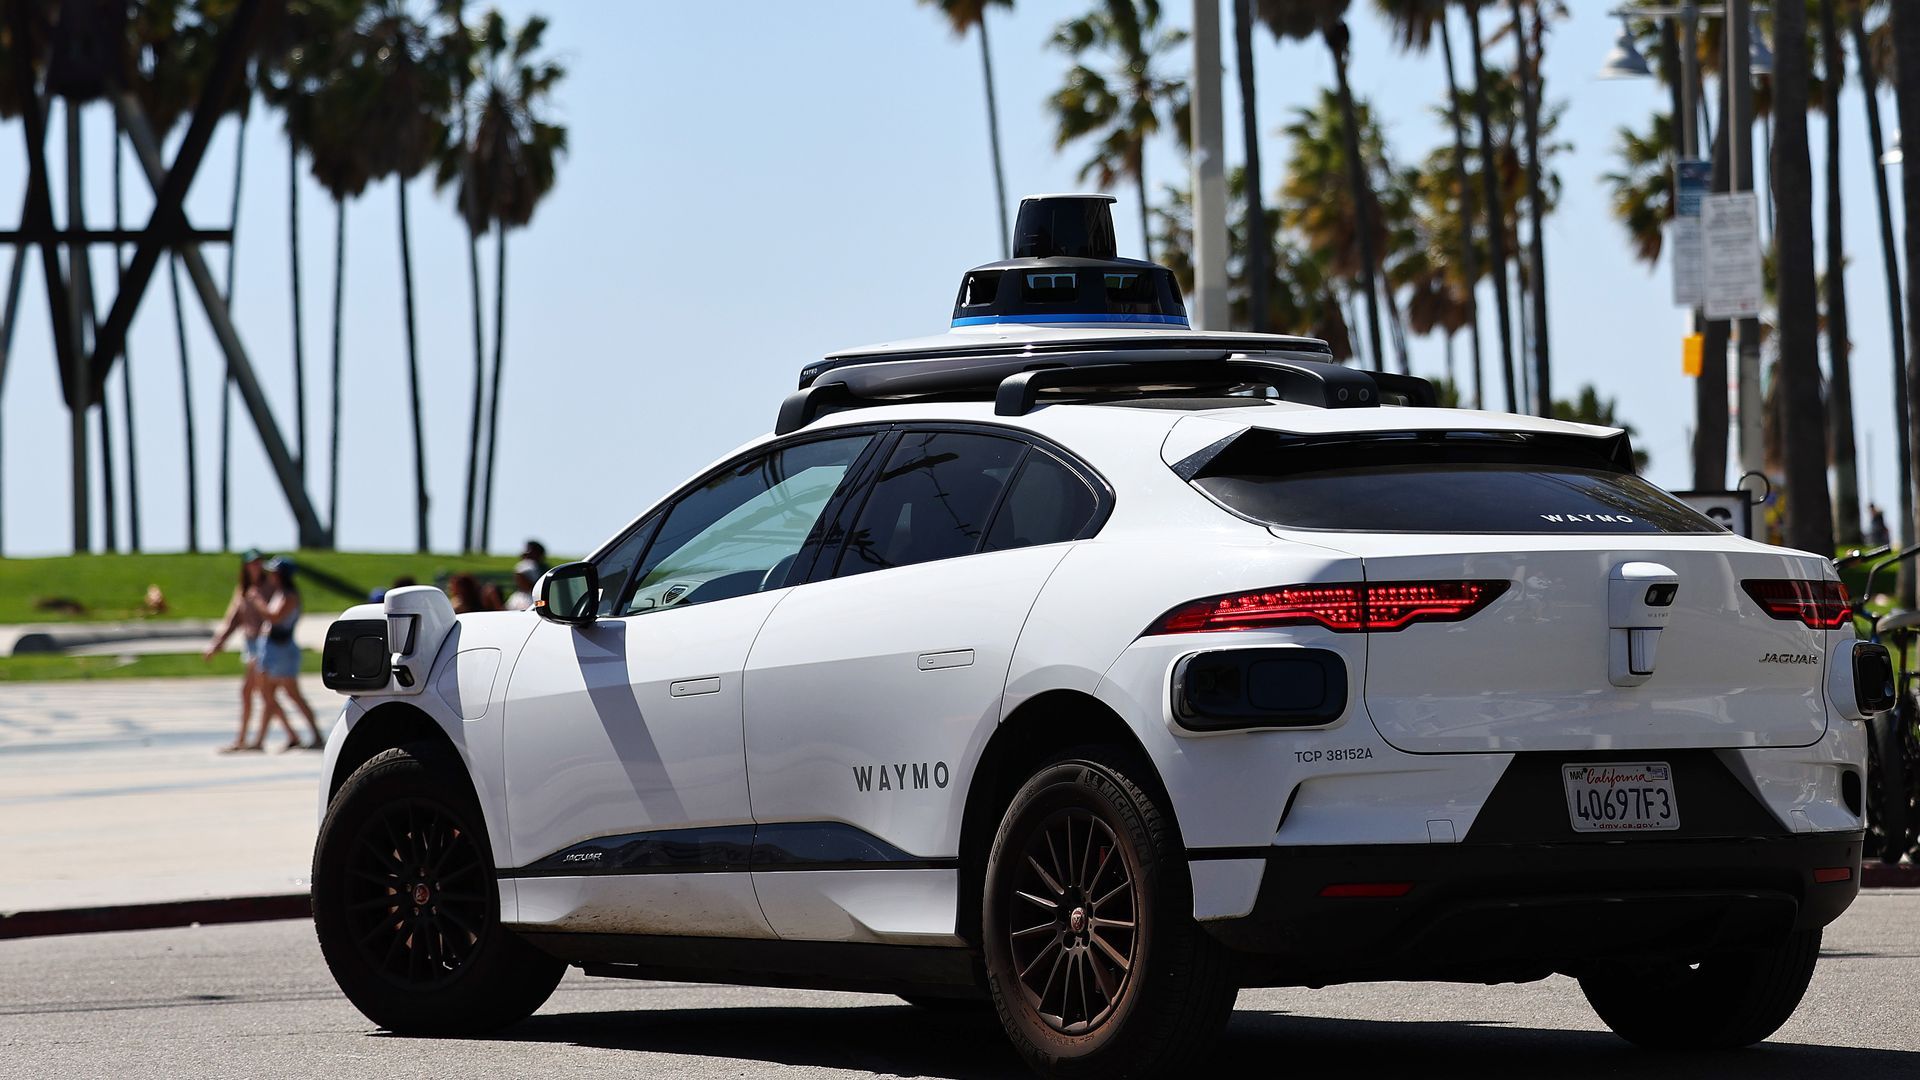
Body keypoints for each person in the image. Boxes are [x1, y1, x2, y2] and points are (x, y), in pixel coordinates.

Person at [206, 550, 280, 753]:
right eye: (252, 563)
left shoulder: (269, 587)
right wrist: (217, 644)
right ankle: (283, 735)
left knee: (255, 691)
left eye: (258, 563)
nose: (256, 566)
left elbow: (276, 615)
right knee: (261, 693)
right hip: (250, 644)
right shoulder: (243, 589)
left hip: (264, 644)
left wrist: (257, 600)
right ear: (246, 566)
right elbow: (232, 619)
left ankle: (248, 740)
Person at [253, 557, 325, 751]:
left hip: (281, 650)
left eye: (274, 573)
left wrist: (257, 600)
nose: (270, 576)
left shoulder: (289, 596)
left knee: (293, 694)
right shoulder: (280, 593)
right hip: (271, 649)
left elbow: (274, 617)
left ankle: (317, 735)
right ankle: (266, 739)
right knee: (267, 694)